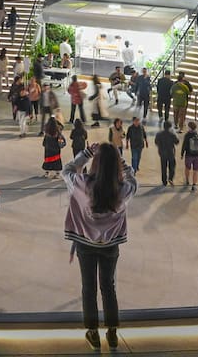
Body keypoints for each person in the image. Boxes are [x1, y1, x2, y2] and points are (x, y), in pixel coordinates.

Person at [63, 142, 138, 352]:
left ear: (95, 163)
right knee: (108, 287)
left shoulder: (82, 184)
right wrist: (120, 161)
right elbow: (134, 181)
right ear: (115, 165)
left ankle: (93, 333)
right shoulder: (122, 189)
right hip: (111, 246)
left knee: (89, 288)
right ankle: (112, 332)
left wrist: (86, 153)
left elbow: (66, 170)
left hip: (85, 245)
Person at [180, 121, 198, 193]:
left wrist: (182, 154)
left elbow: (184, 145)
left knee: (187, 168)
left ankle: (187, 180)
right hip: (197, 156)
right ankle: (194, 185)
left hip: (189, 155)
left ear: (190, 128)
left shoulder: (187, 135)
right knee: (195, 171)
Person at [153, 121, 178, 187]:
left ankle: (164, 181)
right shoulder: (172, 134)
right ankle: (170, 178)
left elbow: (156, 142)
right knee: (172, 166)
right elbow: (177, 142)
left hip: (162, 153)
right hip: (170, 152)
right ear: (170, 127)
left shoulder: (159, 134)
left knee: (163, 167)